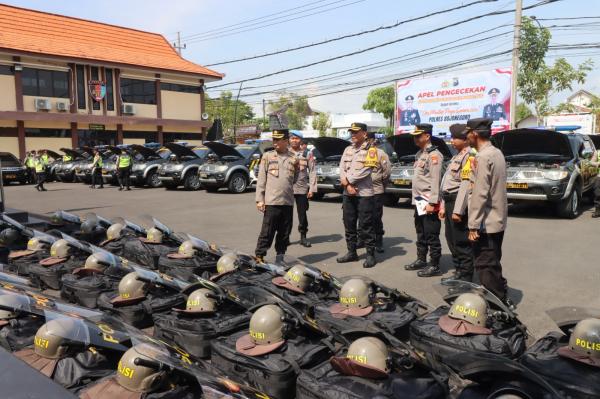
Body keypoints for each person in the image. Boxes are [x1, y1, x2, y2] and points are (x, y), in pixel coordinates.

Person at [465, 118, 513, 309]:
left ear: (474, 134)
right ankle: (501, 295)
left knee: (485, 266)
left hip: (486, 221)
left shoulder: (483, 157)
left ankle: (497, 307)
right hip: (497, 220)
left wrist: (473, 225)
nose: (466, 136)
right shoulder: (497, 153)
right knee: (492, 263)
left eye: (468, 132)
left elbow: (480, 192)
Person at [336, 122, 377, 268]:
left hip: (364, 194)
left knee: (366, 225)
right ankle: (351, 252)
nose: (353, 134)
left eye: (356, 132)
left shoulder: (371, 150)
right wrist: (347, 185)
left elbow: (366, 170)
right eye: (351, 132)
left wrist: (349, 181)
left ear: (364, 134)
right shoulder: (347, 149)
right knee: (349, 223)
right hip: (348, 193)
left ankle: (371, 255)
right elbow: (341, 167)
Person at [404, 123, 443, 277]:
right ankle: (421, 258)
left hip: (428, 200)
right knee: (420, 231)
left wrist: (433, 202)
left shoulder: (434, 155)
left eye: (418, 135)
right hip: (419, 199)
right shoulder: (420, 154)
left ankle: (435, 264)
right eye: (415, 135)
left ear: (427, 136)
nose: (415, 138)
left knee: (431, 233)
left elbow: (435, 180)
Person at [255, 129, 298, 264]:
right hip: (272, 201)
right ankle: (259, 256)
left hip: (287, 201)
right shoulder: (267, 156)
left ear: (286, 141)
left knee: (285, 232)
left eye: (278, 139)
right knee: (267, 231)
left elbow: (294, 178)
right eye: (274, 139)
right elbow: (261, 179)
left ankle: (280, 256)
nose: (275, 142)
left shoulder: (294, 158)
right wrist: (259, 200)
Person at [439, 124, 474, 282]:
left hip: (457, 201)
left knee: (461, 240)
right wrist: (441, 204)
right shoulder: (457, 155)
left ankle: (465, 277)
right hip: (448, 200)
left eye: (455, 138)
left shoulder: (469, 156)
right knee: (450, 238)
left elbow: (466, 185)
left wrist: (458, 210)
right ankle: (458, 272)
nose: (452, 141)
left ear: (466, 140)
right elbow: (447, 181)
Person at [288, 130, 317, 247]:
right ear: (289, 140)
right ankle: (285, 238)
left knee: (302, 214)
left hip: (301, 188)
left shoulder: (306, 154)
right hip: (287, 189)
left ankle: (303, 237)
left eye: (296, 138)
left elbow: (313, 171)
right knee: (286, 215)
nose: (294, 140)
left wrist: (312, 189)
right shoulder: (284, 153)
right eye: (292, 138)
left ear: (300, 140)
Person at [367, 132, 391, 253]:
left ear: (372, 140)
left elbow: (386, 173)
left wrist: (381, 184)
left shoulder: (381, 154)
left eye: (368, 139)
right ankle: (364, 239)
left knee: (376, 217)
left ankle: (378, 240)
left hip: (376, 191)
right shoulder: (360, 154)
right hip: (362, 191)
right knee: (364, 218)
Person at [591, 146, 600, 218]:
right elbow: (591, 162)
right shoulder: (598, 152)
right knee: (597, 192)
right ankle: (598, 210)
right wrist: (597, 163)